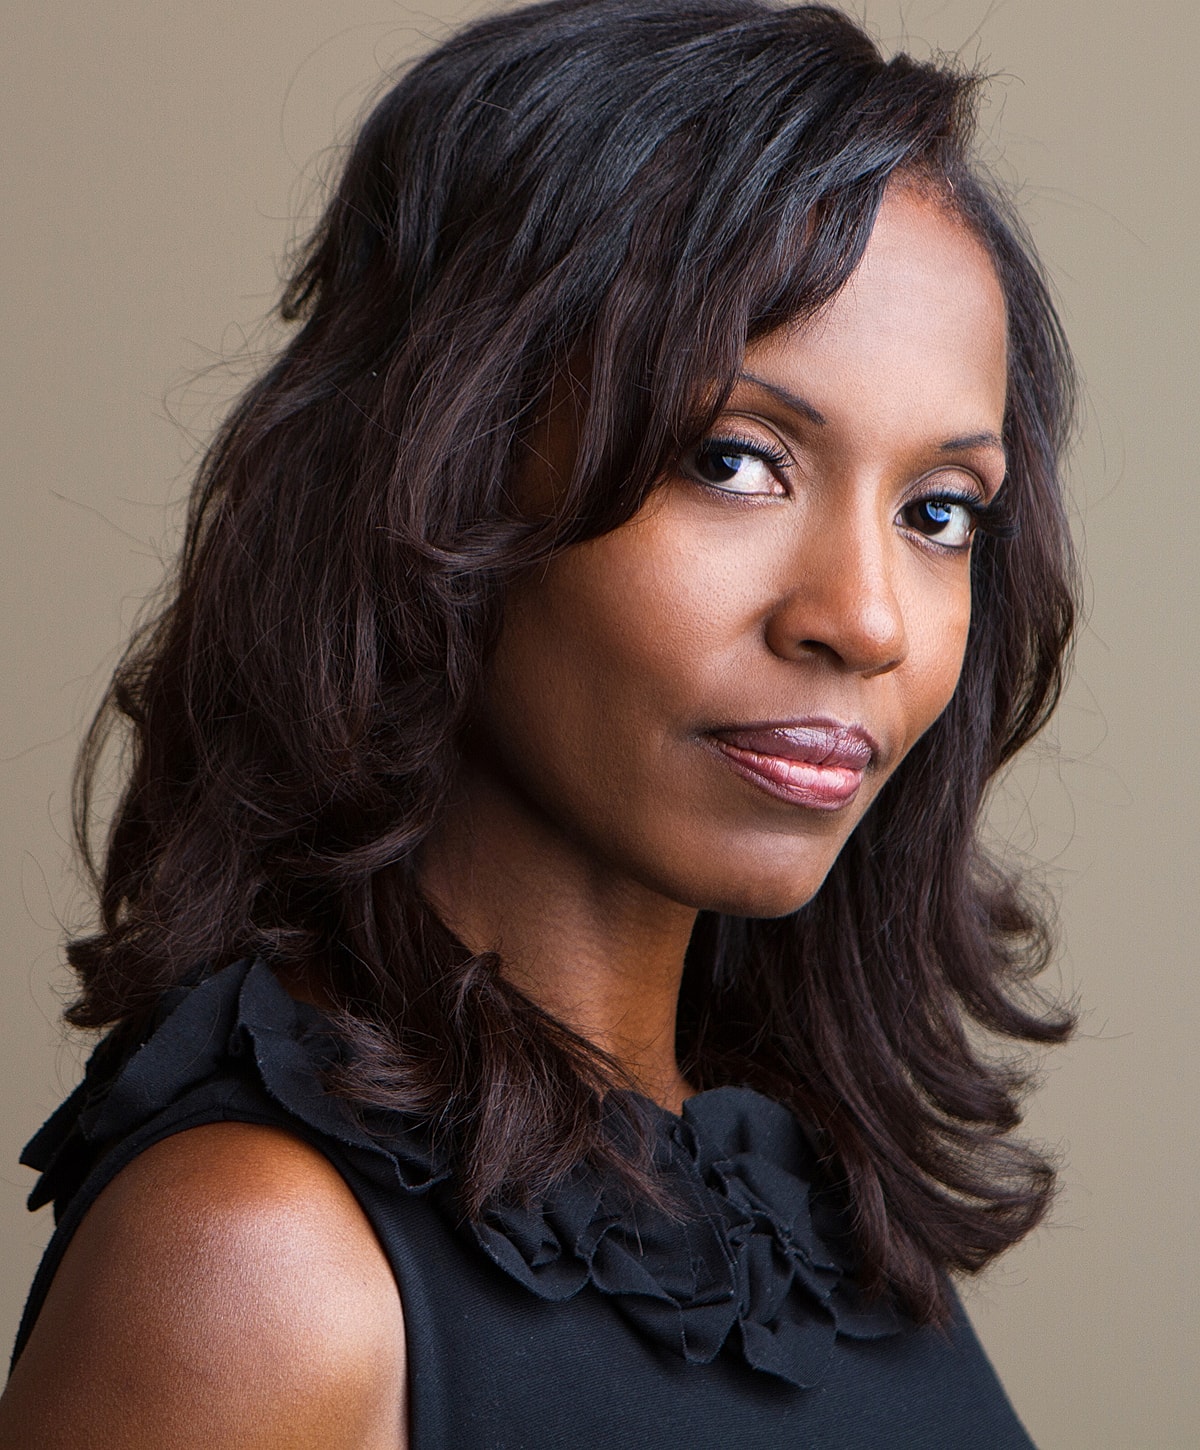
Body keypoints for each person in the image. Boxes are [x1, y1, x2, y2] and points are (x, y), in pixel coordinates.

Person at [0, 0, 1079, 1444]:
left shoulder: (802, 1207)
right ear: (447, 469)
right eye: (734, 458)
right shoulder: (263, 1265)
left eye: (940, 510)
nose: (868, 617)